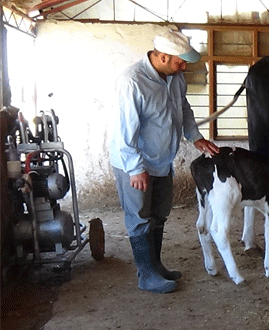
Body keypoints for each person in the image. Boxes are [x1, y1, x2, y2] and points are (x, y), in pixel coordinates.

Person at [110, 29, 219, 293]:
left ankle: (155, 266)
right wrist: (135, 168)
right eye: (179, 62)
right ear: (161, 57)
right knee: (139, 217)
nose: (184, 67)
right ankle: (146, 275)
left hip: (161, 160)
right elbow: (124, 131)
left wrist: (195, 137)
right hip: (134, 163)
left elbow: (183, 108)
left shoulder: (175, 77)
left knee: (159, 215)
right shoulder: (133, 81)